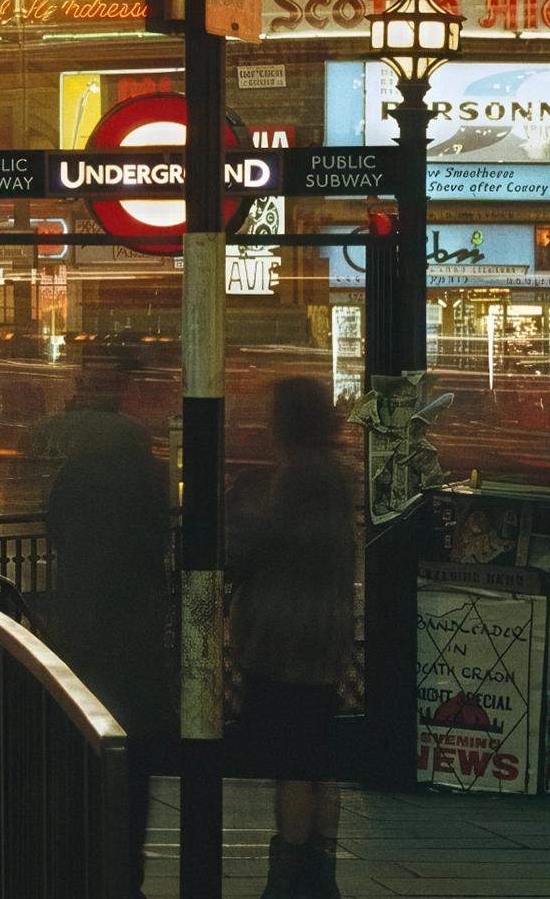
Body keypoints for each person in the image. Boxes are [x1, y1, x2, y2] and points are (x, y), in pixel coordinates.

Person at [230, 375, 358, 899]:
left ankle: (290, 876)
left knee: (294, 761)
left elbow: (267, 545)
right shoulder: (336, 475)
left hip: (287, 638)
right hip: (323, 632)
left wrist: (239, 521)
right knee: (317, 755)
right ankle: (318, 872)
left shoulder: (300, 476)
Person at [31, 346, 172, 771]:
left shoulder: (75, 475)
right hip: (137, 603)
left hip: (83, 599)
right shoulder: (151, 474)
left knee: (90, 686)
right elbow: (159, 532)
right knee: (133, 698)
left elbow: (55, 522)